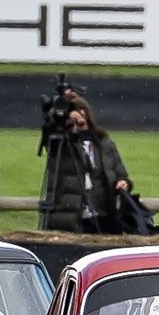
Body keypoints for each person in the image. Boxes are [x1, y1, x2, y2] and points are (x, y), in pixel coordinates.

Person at [42, 98, 131, 234]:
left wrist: (123, 182)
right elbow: (49, 134)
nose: (78, 120)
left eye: (81, 115)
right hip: (71, 217)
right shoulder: (62, 144)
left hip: (104, 216)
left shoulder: (103, 143)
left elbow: (120, 173)